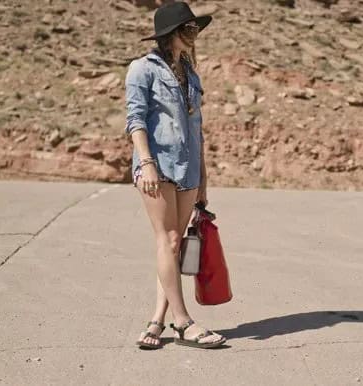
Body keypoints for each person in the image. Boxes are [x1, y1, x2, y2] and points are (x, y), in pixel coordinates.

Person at [124, 2, 226, 350]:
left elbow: (197, 128)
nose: (194, 35)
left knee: (175, 243)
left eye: (196, 29)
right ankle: (183, 322)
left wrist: (205, 176)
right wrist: (147, 162)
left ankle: (156, 320)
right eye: (189, 29)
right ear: (171, 34)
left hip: (188, 169)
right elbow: (136, 120)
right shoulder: (143, 69)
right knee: (167, 240)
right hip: (157, 166)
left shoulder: (191, 74)